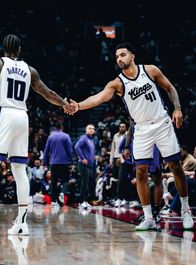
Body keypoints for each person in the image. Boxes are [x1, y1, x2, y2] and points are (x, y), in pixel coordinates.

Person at [66, 42, 194, 230]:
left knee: (175, 166)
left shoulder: (150, 70)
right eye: (117, 56)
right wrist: (78, 106)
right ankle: (149, 217)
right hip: (141, 129)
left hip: (162, 123)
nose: (119, 59)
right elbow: (98, 98)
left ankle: (185, 210)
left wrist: (177, 108)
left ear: (132, 56)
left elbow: (170, 88)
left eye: (122, 55)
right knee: (140, 171)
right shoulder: (117, 83)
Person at [0, 34, 73, 237]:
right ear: (19, 49)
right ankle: (22, 223)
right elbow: (47, 93)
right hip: (22, 117)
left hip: (4, 113)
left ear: (3, 49)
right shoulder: (29, 69)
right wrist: (65, 104)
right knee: (19, 169)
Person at [43, 121, 74, 206]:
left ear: (55, 128)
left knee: (53, 181)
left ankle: (53, 201)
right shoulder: (66, 136)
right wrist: (72, 162)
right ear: (62, 127)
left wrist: (44, 162)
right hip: (64, 162)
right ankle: (62, 193)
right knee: (65, 180)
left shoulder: (50, 137)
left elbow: (46, 151)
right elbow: (70, 151)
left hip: (53, 162)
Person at [74, 124, 96, 209]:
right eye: (89, 128)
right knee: (84, 183)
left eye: (93, 129)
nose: (91, 130)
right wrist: (82, 158)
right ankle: (82, 201)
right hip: (83, 164)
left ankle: (85, 201)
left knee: (88, 183)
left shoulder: (91, 140)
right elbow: (76, 147)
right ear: (86, 130)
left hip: (90, 165)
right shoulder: (84, 138)